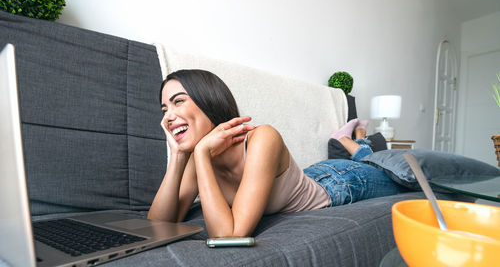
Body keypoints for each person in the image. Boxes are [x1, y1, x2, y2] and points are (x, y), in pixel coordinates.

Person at [147, 69, 406, 238]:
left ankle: (359, 147)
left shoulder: (262, 137)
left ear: (208, 101)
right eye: (164, 109)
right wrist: (180, 155)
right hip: (308, 176)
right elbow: (157, 226)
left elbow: (230, 235)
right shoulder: (196, 157)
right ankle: (352, 143)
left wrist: (200, 153)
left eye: (178, 101)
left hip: (338, 183)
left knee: (399, 172)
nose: (168, 117)